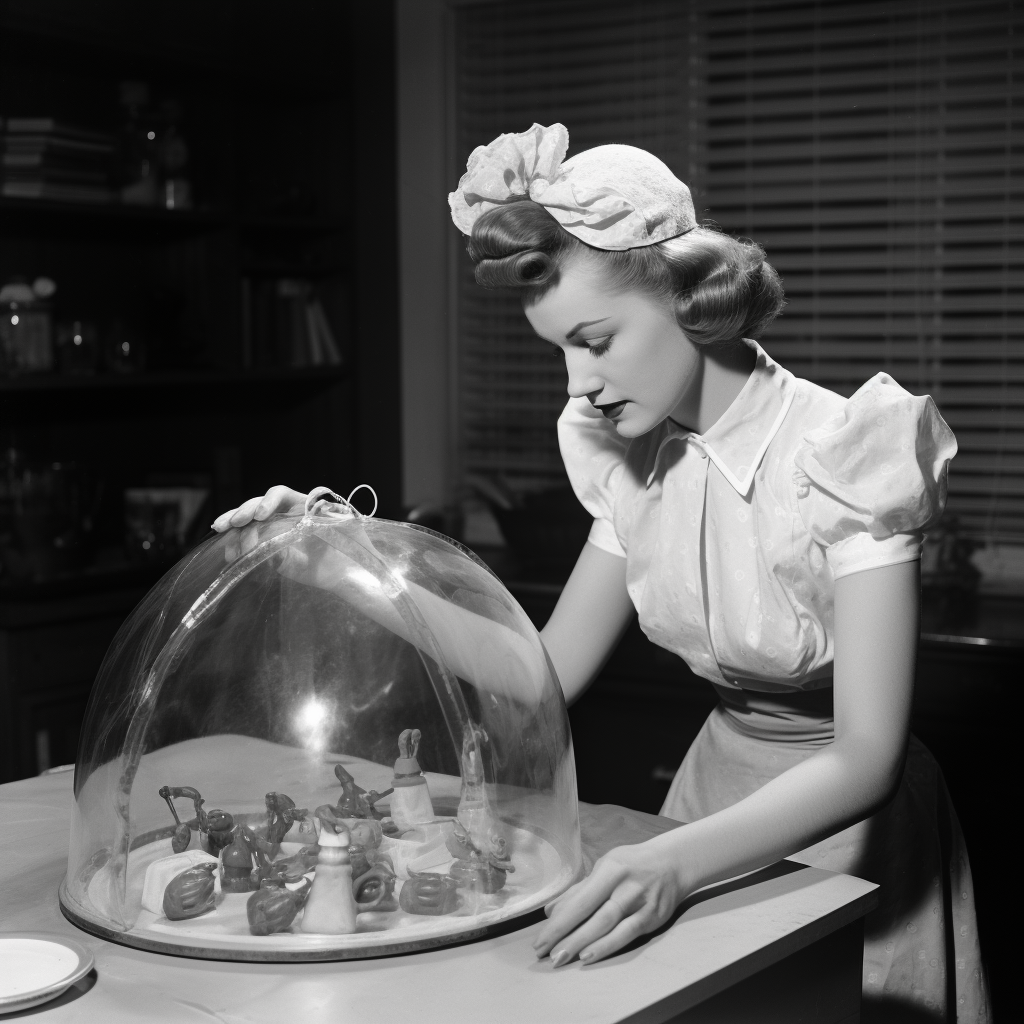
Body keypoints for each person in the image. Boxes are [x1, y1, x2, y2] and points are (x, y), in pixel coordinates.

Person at [214, 124, 987, 1020]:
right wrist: (343, 558)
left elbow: (866, 757)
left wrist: (674, 861)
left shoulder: (850, 452)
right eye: (561, 351)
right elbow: (537, 673)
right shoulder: (633, 460)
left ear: (690, 294)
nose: (580, 382)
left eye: (598, 338)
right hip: (704, 800)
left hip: (848, 829)